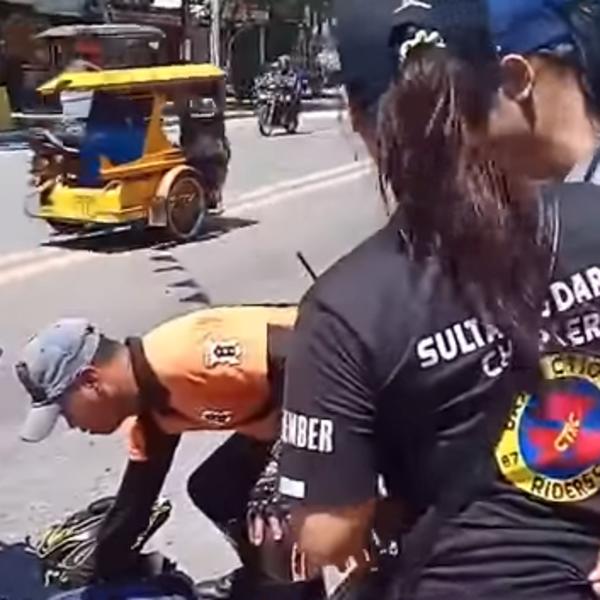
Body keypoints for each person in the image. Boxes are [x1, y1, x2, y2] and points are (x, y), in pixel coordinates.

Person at [276, 0, 600, 599]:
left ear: (358, 119)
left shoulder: (345, 308)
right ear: (491, 88)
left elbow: (326, 536)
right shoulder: (591, 215)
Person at [15, 307, 323, 600]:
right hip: (292, 421)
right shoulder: (154, 413)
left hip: (339, 395)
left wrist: (293, 464)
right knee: (215, 487)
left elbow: (313, 358)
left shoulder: (185, 358)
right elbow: (135, 503)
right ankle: (269, 585)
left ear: (90, 381)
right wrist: (101, 571)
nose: (71, 424)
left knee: (271, 508)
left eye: (65, 411)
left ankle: (308, 588)